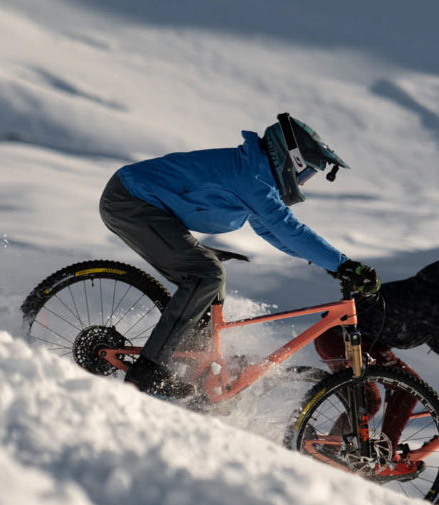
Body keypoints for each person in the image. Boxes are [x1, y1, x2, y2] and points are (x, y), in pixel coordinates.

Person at [100, 113, 380, 398]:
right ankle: (148, 370)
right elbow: (288, 228)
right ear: (289, 160)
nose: (304, 183)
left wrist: (331, 265)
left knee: (210, 286)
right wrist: (344, 264)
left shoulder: (254, 173)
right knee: (206, 275)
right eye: (306, 173)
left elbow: (273, 234)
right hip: (130, 200)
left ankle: (195, 368)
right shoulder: (254, 178)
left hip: (145, 203)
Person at [314, 257, 439, 462]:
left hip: (341, 336)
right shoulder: (433, 306)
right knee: (408, 388)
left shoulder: (429, 291)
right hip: (344, 340)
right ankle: (384, 456)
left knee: (370, 402)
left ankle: (328, 452)